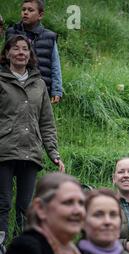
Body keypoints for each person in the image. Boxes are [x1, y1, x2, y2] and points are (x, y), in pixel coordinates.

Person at [0, 173, 108, 254]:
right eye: (68, 202)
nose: (78, 210)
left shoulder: (76, 253)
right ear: (40, 208)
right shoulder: (27, 251)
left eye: (81, 203)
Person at [0, 35, 64, 240]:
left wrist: (53, 152)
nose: (20, 52)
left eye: (25, 49)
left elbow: (46, 121)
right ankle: (0, 246)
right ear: (7, 53)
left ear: (30, 54)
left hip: (31, 151)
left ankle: (22, 246)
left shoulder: (39, 84)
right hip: (4, 150)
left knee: (26, 206)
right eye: (16, 49)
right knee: (3, 202)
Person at [6, 0, 62, 103]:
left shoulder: (49, 37)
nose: (25, 12)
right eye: (23, 9)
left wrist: (57, 90)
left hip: (39, 89)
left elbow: (55, 65)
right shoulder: (11, 33)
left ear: (40, 15)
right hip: (14, 87)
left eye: (30, 10)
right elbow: (4, 60)